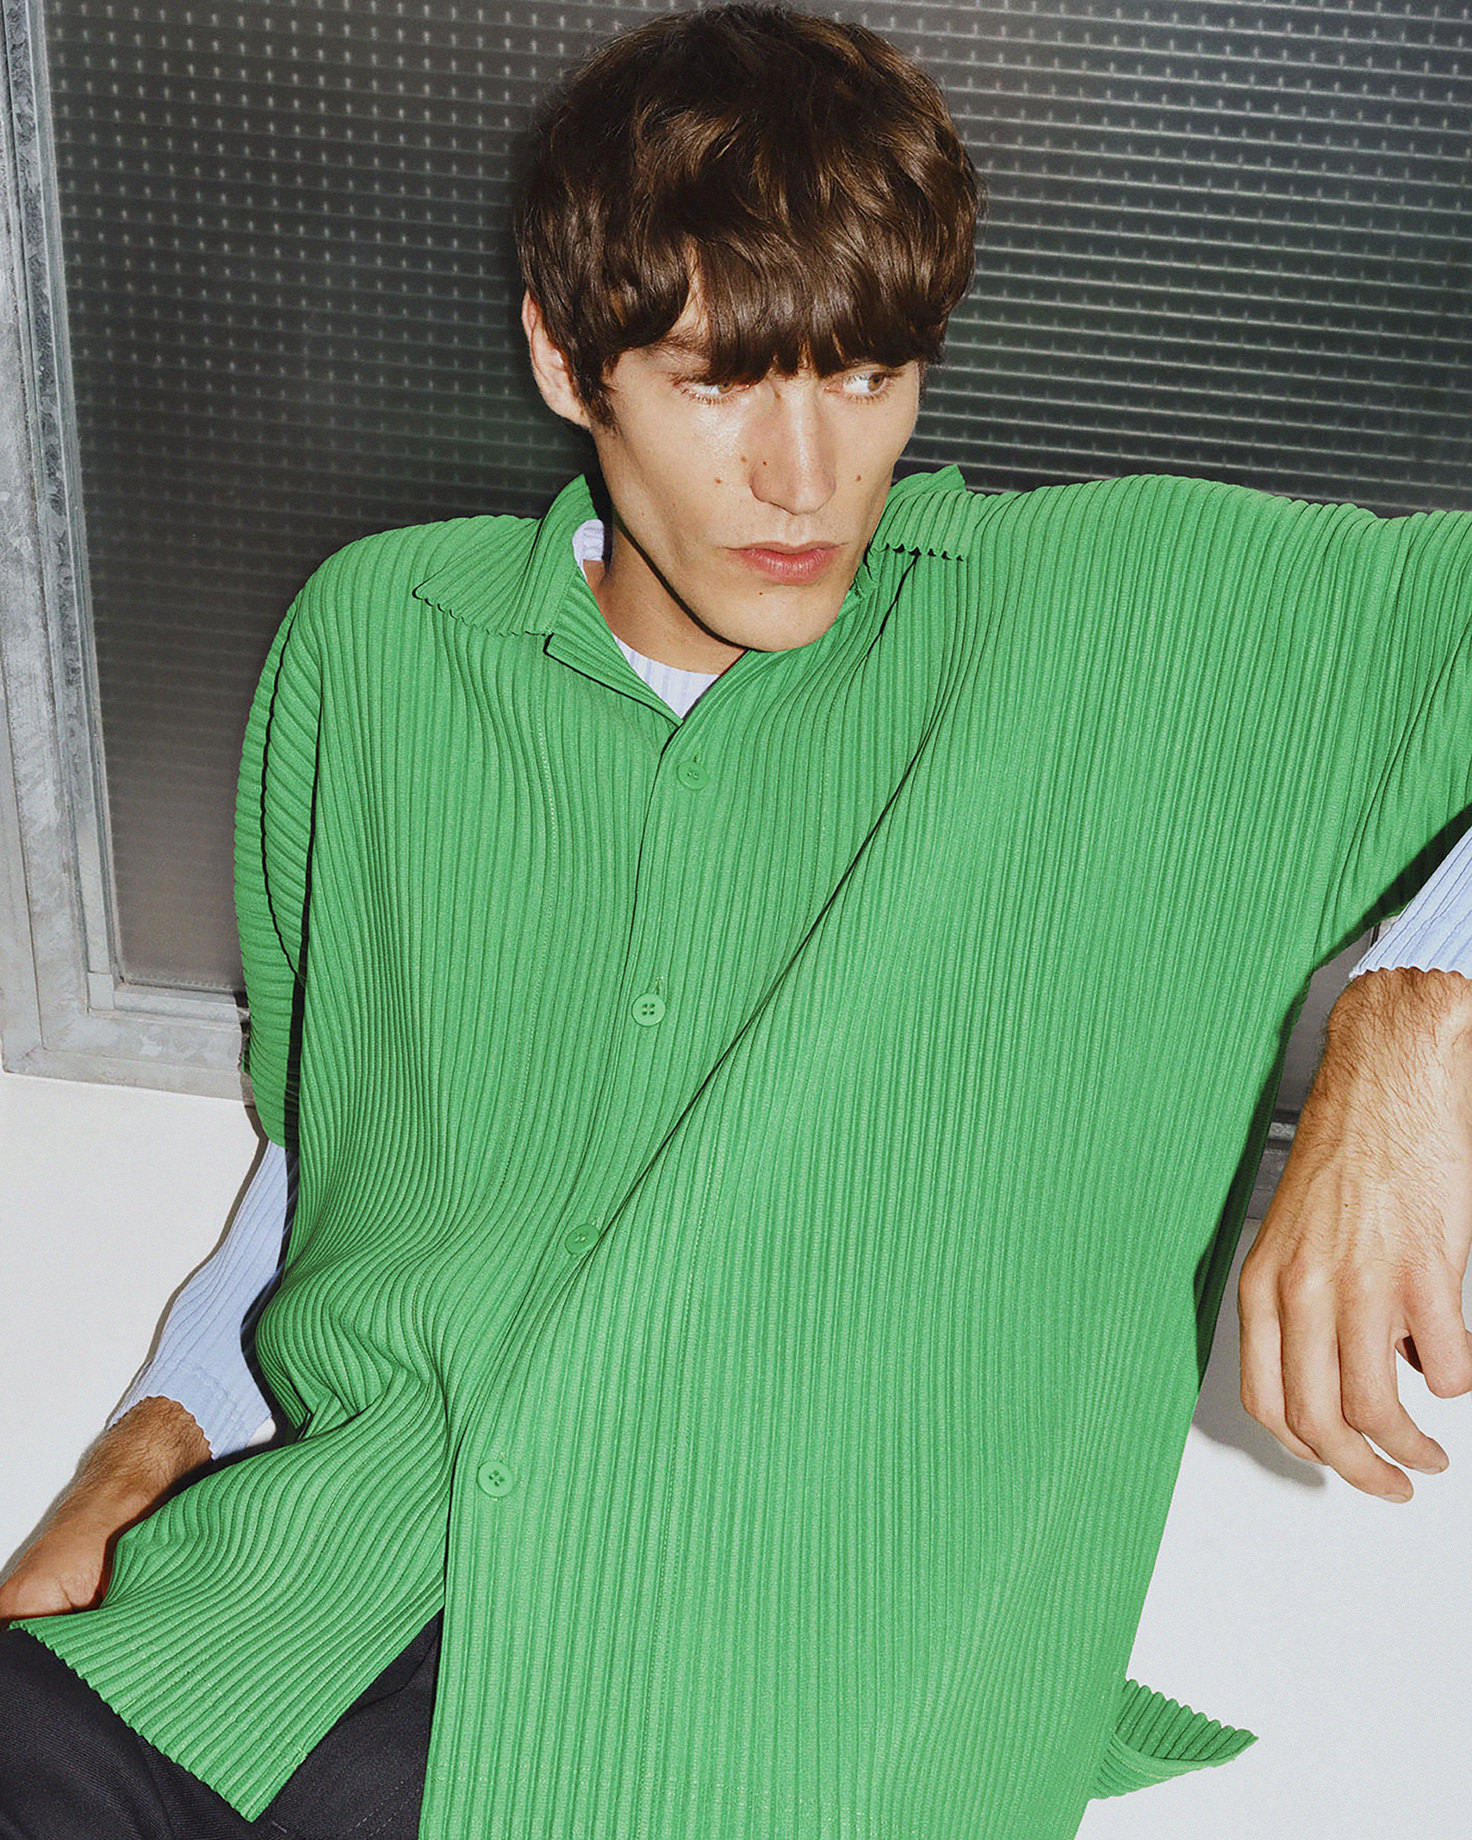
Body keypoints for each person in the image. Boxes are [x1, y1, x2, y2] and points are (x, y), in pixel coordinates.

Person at [1, 6, 1469, 1837]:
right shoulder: (378, 646)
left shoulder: (1124, 627)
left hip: (748, 1726)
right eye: (717, 383)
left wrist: (1424, 1007)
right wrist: (149, 1441)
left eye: (868, 376)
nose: (806, 477)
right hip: (256, 1636)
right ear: (565, 359)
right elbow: (347, 1145)